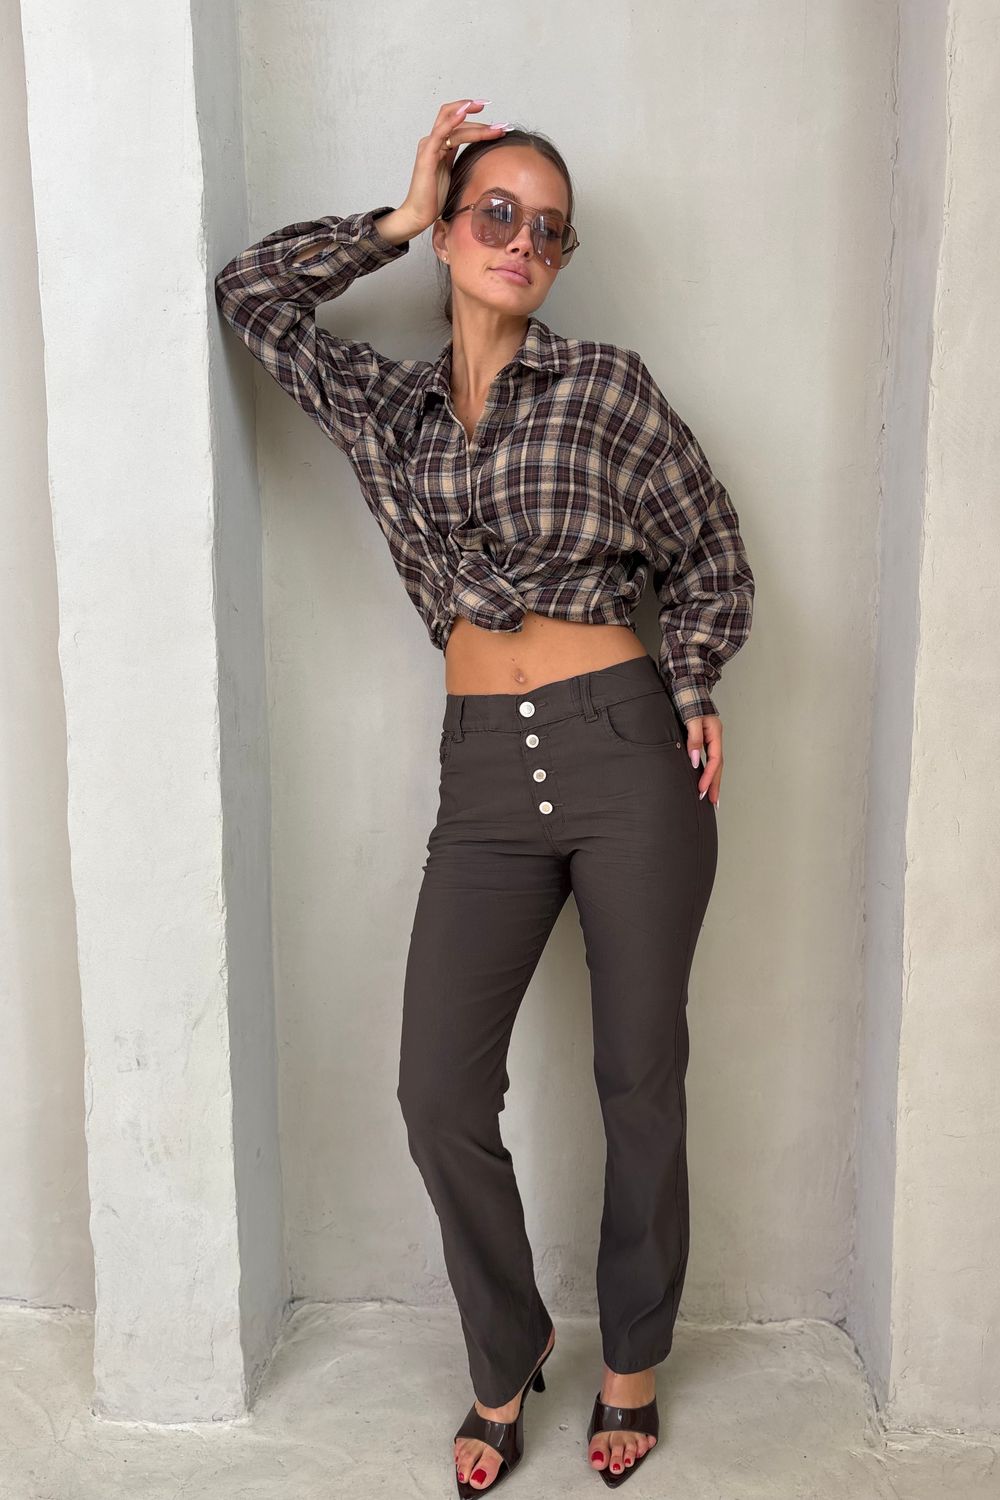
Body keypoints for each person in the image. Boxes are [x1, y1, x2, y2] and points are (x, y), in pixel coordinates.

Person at [215, 96, 755, 1496]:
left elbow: (712, 552)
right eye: (495, 213)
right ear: (454, 233)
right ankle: (509, 1346)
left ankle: (632, 1359)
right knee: (436, 1090)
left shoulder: (606, 389)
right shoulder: (388, 407)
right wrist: (392, 218)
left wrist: (695, 681)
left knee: (639, 1076)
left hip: (627, 753)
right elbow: (253, 298)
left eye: (549, 230)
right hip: (482, 776)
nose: (523, 241)